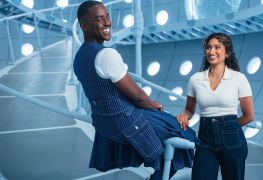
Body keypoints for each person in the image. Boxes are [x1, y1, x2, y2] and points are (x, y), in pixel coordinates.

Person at [73, 1, 197, 179]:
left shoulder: (78, 58)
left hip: (103, 123)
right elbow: (138, 97)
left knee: (168, 143)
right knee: (183, 132)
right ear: (84, 26)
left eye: (107, 16)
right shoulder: (107, 55)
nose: (107, 23)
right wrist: (155, 106)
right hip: (123, 120)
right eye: (99, 19)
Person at [176, 33, 254, 180]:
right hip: (205, 139)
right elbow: (189, 110)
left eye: (217, 47)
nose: (212, 52)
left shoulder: (239, 78)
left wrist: (228, 127)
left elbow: (249, 116)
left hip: (233, 139)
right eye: (209, 47)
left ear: (228, 52)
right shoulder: (195, 79)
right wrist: (183, 116)